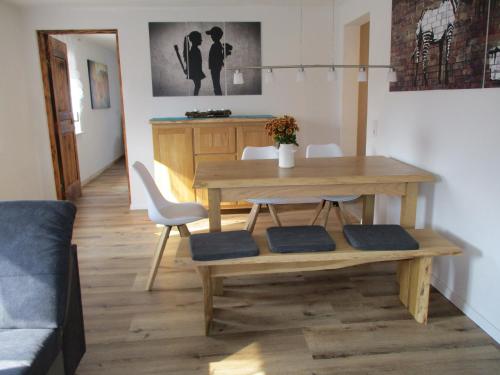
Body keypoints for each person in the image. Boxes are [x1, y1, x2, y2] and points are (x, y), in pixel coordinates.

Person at [183, 31, 205, 96]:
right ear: (195, 40)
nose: (201, 40)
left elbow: (190, 62)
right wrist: (188, 70)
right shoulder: (194, 50)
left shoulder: (195, 50)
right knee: (198, 86)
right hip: (196, 73)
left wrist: (187, 70)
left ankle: (195, 98)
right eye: (200, 38)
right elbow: (191, 63)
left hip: (196, 72)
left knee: (197, 86)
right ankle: (195, 99)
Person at [206, 26, 226, 96]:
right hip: (215, 67)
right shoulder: (217, 45)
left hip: (215, 67)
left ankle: (218, 95)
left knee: (216, 84)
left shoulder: (215, 45)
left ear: (216, 36)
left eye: (212, 35)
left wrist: (218, 63)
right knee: (216, 83)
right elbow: (219, 57)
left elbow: (218, 57)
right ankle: (218, 95)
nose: (211, 37)